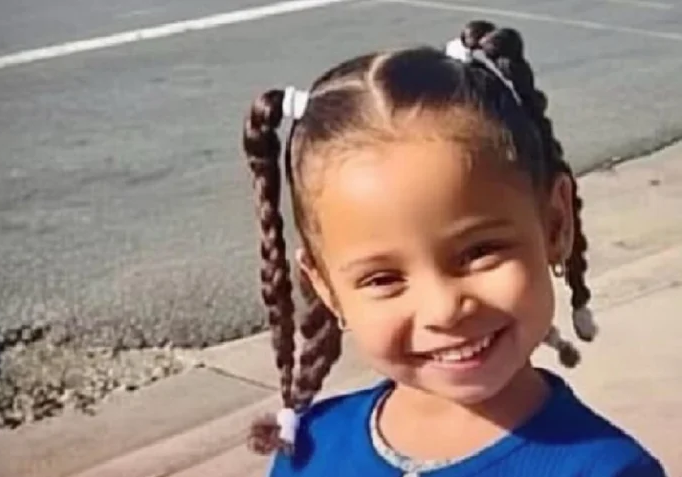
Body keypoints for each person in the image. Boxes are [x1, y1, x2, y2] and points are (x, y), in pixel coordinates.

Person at [240, 20, 665, 476]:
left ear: (556, 224)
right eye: (383, 279)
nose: (444, 310)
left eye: (478, 252)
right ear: (326, 288)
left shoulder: (605, 469)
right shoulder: (308, 446)